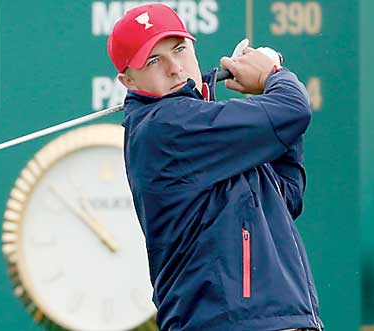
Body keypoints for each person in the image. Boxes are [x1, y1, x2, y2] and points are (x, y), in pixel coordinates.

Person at [107, 3, 324, 331]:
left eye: (179, 49)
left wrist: (269, 96)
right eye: (154, 60)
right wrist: (272, 75)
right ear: (128, 79)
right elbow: (293, 110)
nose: (175, 68)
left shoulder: (204, 132)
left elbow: (286, 196)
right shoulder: (164, 127)